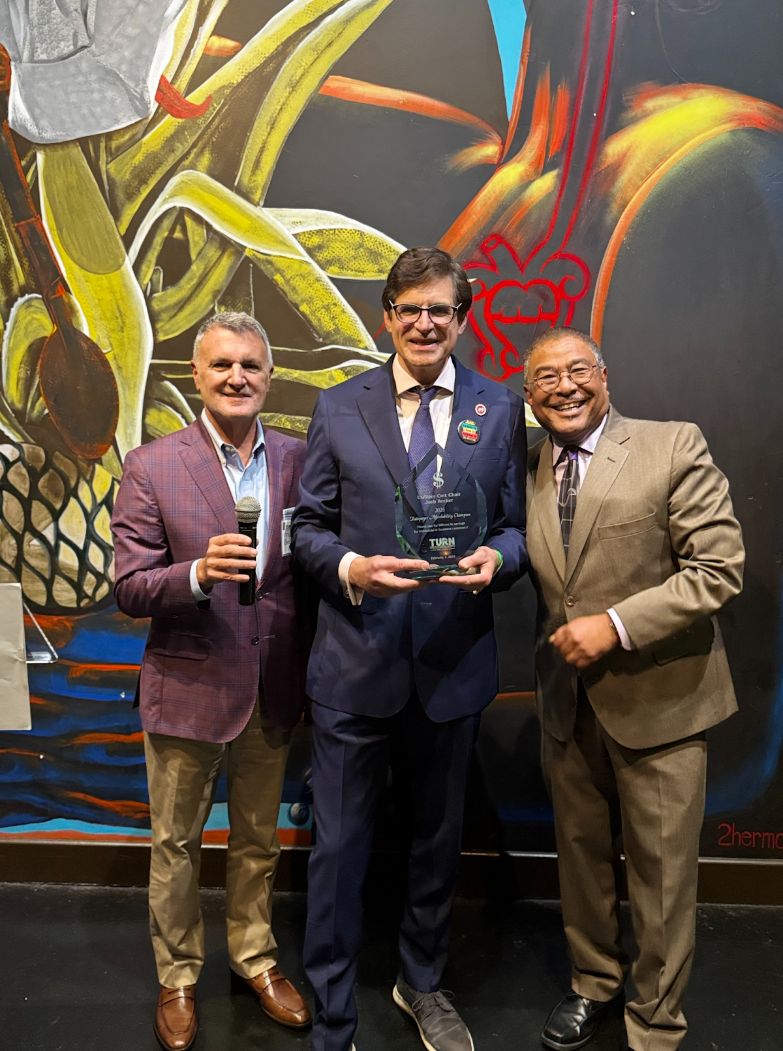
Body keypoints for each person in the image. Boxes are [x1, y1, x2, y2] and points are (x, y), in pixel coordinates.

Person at [291, 247, 527, 1051]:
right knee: (339, 850)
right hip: (354, 663)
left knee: (435, 842)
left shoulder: (498, 407)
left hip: (452, 666)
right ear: (385, 316)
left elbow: (516, 527)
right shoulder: (337, 406)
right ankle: (331, 1017)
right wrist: (352, 568)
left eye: (441, 310)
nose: (425, 323)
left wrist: (500, 559)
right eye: (409, 308)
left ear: (461, 319)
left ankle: (420, 982)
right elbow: (305, 529)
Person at [523, 327, 744, 1051]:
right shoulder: (526, 467)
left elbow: (716, 568)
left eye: (576, 370)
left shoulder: (671, 444)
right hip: (566, 702)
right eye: (545, 377)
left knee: (661, 876)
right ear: (529, 397)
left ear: (604, 375)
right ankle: (593, 983)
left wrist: (613, 625)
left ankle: (653, 1021)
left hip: (662, 701)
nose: (563, 386)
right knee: (580, 864)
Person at [111, 312, 311, 1050]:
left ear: (268, 376)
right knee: (177, 843)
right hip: (187, 685)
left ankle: (255, 958)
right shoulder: (151, 465)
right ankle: (180, 974)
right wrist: (194, 573)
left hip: (274, 685)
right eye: (222, 365)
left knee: (259, 839)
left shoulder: (298, 459)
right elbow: (129, 587)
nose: (237, 377)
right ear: (196, 375)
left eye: (251, 366)